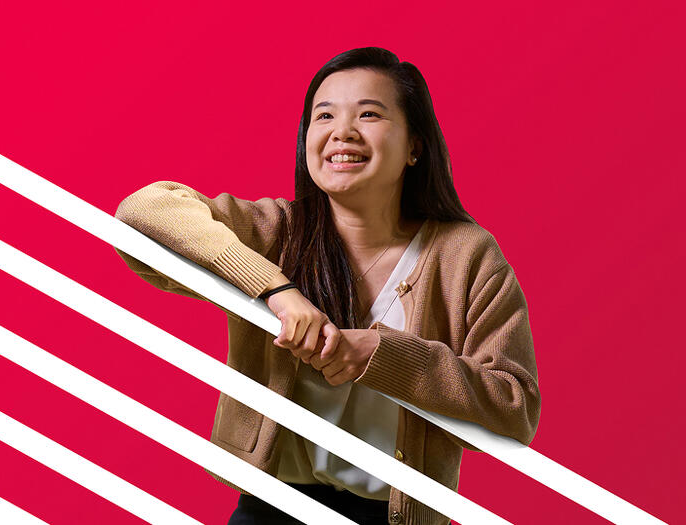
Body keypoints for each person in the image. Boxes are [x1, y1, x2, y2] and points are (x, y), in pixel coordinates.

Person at [113, 47, 540, 525]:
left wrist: (384, 356)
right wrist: (274, 288)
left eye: (370, 114)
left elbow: (513, 405)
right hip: (270, 509)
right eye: (324, 116)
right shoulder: (276, 230)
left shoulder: (466, 254)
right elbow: (144, 211)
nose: (343, 132)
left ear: (415, 146)